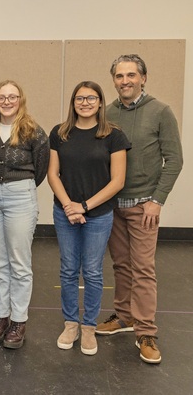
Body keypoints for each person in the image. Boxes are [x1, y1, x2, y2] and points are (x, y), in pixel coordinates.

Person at [96, 54, 183, 364]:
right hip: (113, 206)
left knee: (143, 269)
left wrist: (156, 200)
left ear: (143, 78)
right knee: (120, 264)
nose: (125, 81)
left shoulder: (160, 111)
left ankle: (146, 330)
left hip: (144, 206)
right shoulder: (107, 113)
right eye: (119, 76)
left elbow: (174, 160)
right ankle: (124, 316)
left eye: (131, 75)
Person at [47, 81, 130, 356]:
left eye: (91, 98)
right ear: (73, 103)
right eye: (79, 98)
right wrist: (69, 206)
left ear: (100, 102)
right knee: (69, 270)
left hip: (98, 215)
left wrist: (84, 206)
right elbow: (52, 174)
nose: (85, 102)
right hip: (65, 213)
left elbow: (117, 181)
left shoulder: (113, 135)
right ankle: (71, 323)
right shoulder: (60, 133)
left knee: (93, 272)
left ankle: (89, 327)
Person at [0, 80, 49, 349]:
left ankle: (19, 321)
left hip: (20, 195)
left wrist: (19, 187)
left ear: (21, 99)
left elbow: (41, 170)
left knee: (19, 263)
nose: (7, 101)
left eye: (13, 97)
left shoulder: (34, 131)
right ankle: (1, 317)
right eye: (2, 97)